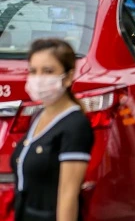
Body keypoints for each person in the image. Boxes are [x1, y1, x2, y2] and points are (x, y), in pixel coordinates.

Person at [12, 38, 94, 221]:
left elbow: (68, 196)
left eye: (48, 71)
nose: (39, 78)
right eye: (33, 71)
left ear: (68, 77)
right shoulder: (38, 116)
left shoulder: (75, 126)